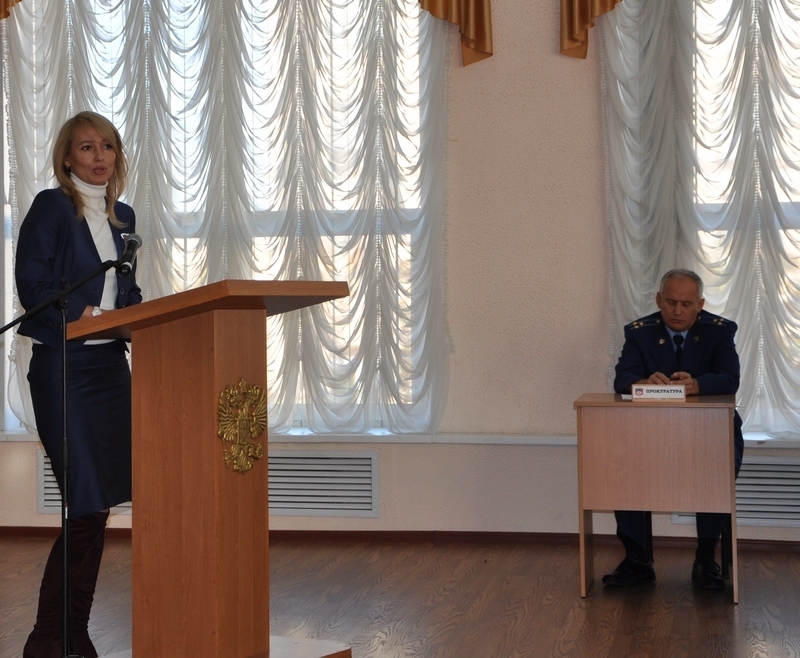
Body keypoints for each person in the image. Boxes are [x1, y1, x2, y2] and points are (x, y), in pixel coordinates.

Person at [15, 111, 142, 658]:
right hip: (64, 370)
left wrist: (141, 314)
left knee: (96, 510)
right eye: (87, 147)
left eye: (107, 146)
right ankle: (51, 638)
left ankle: (70, 635)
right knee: (85, 507)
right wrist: (86, 313)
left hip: (110, 370)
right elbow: (33, 287)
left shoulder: (124, 217)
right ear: (67, 157)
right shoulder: (51, 208)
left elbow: (126, 293)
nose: (99, 156)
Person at [603, 268, 744, 591]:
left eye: (686, 304)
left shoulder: (720, 331)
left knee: (716, 469)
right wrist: (641, 382)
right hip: (650, 431)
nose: (677, 311)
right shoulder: (639, 333)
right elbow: (623, 378)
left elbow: (730, 379)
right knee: (621, 465)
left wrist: (697, 385)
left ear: (700, 304)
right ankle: (637, 560)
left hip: (709, 431)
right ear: (658, 300)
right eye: (670, 302)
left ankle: (705, 559)